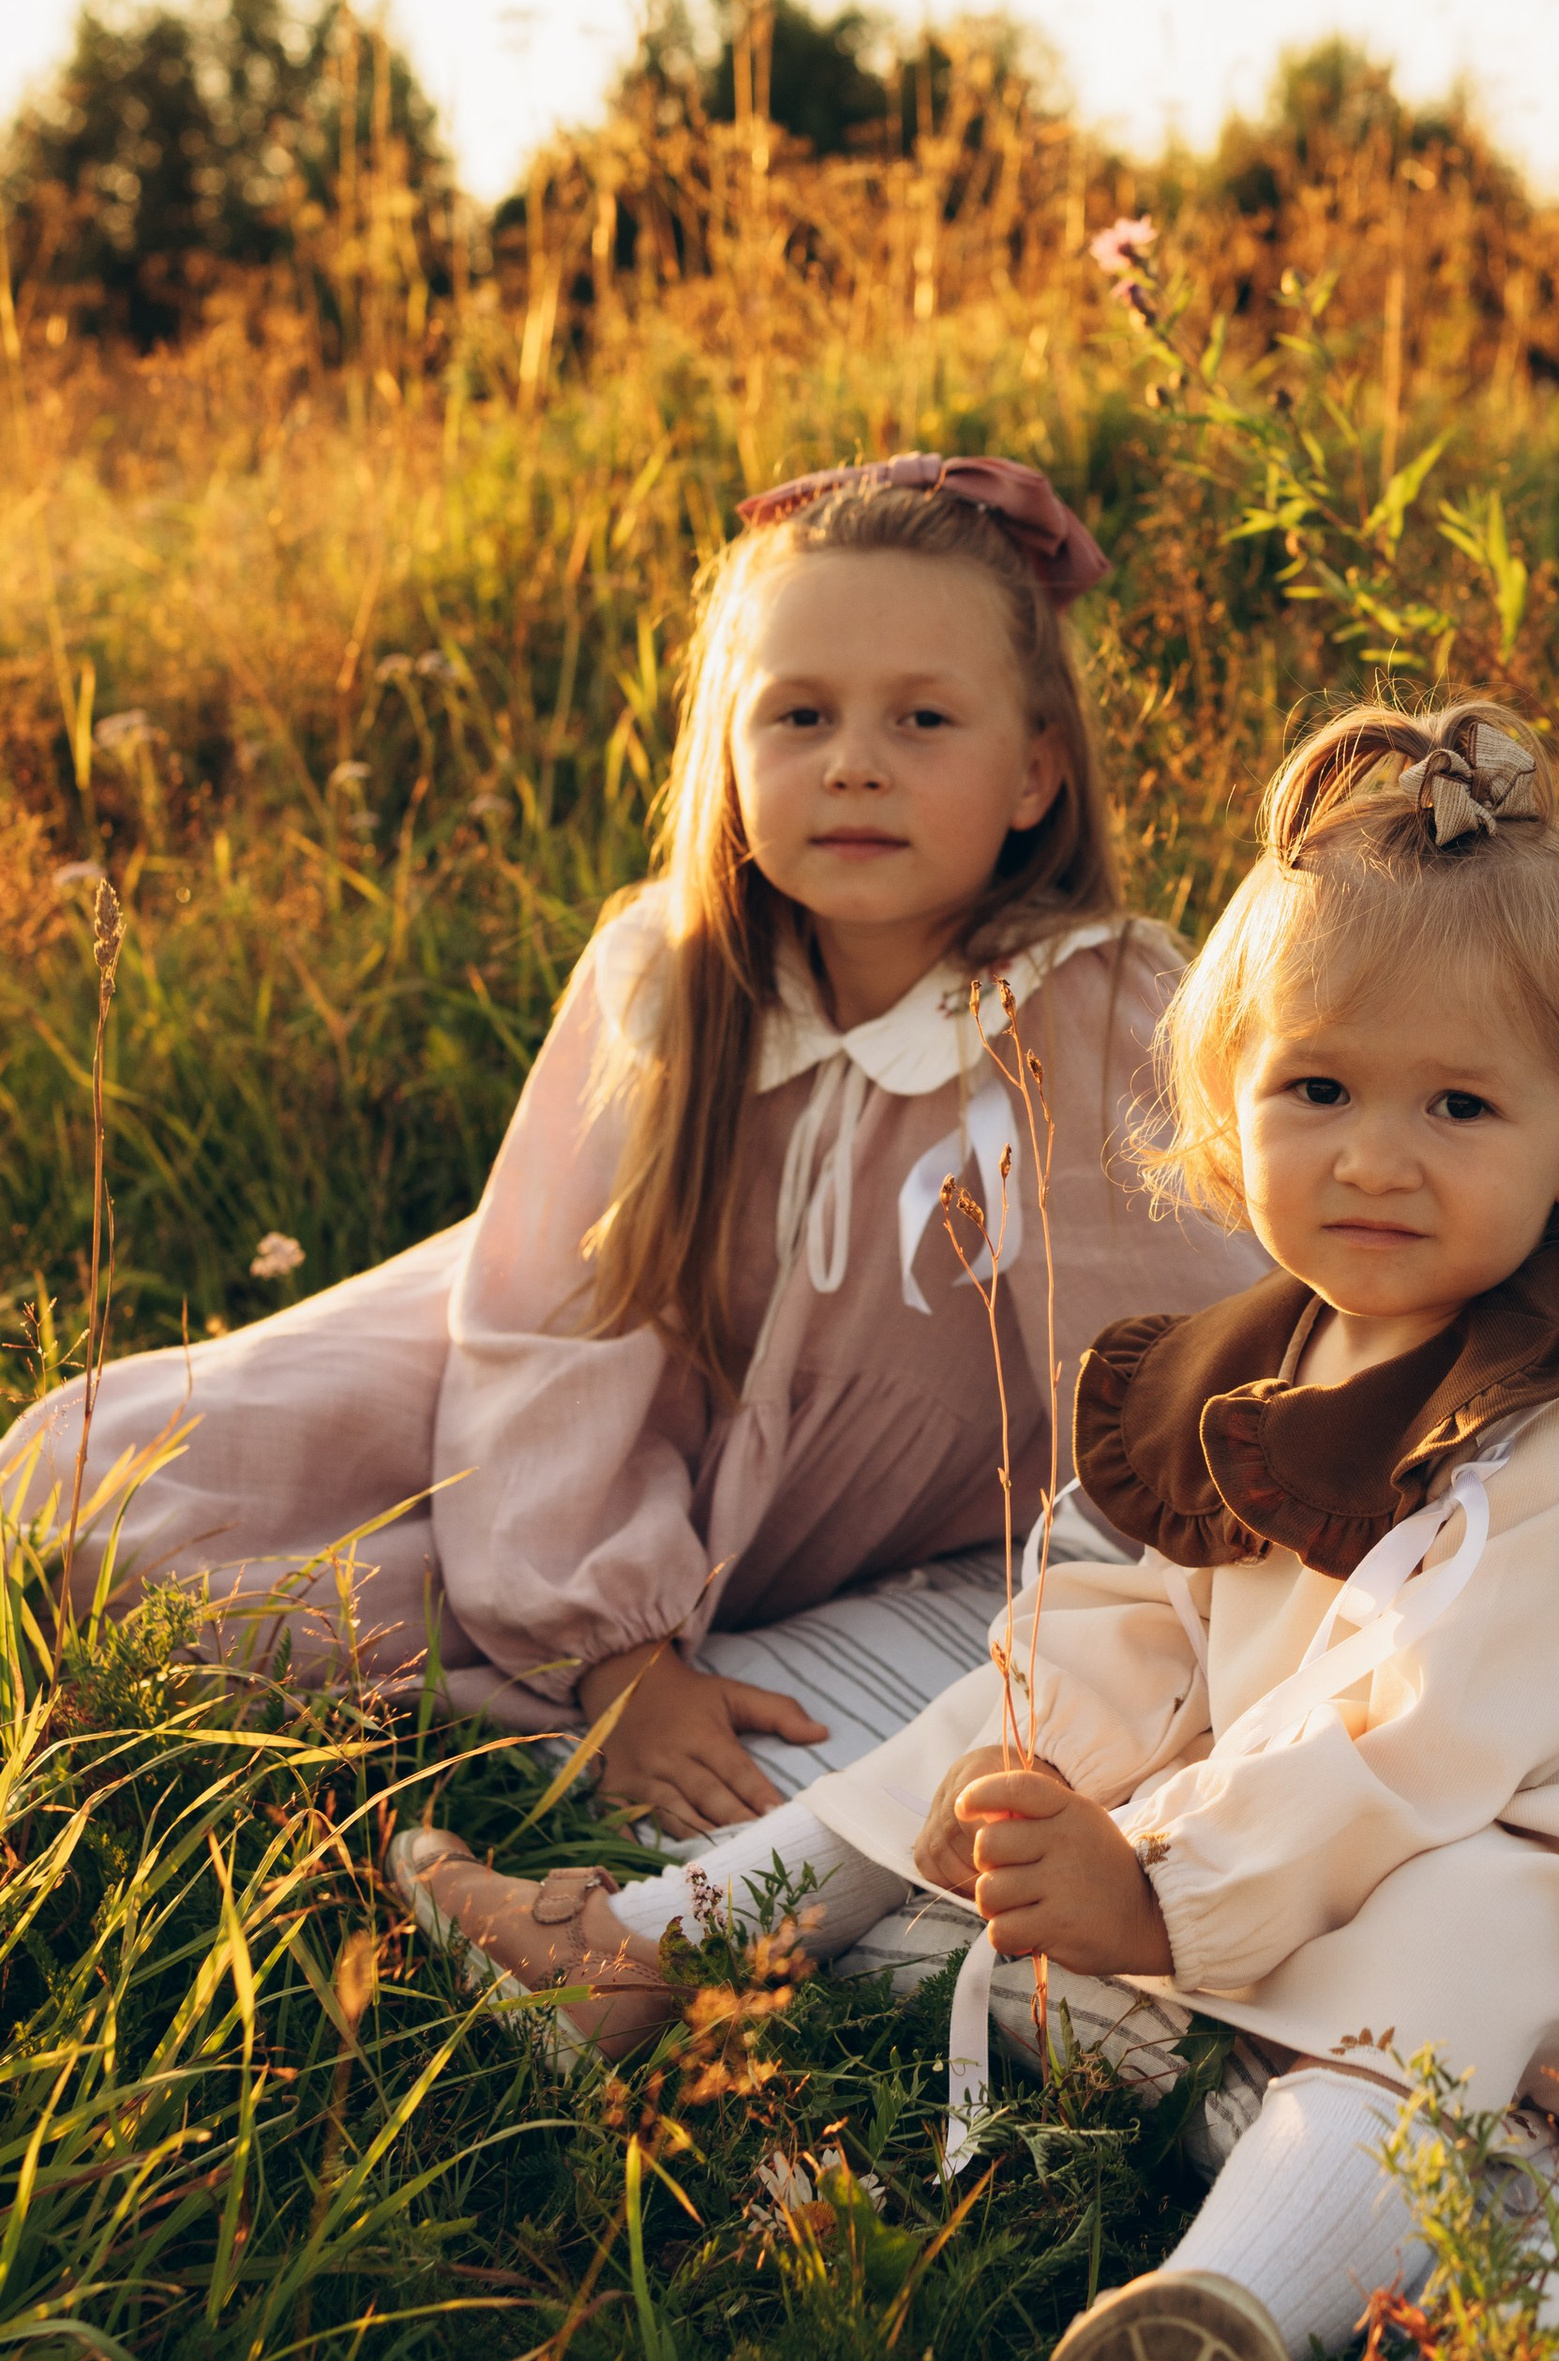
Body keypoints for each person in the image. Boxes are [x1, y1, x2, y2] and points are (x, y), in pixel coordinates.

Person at [393, 697, 1559, 2361]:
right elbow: (1158, 1620)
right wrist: (1047, 1774)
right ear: (1230, 1092)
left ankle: (1228, 2325)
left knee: (1466, 1913)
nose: (1373, 1159)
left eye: (1460, 1107)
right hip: (1305, 1821)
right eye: (1320, 1092)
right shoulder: (1276, 1355)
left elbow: (1411, 1731)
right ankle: (655, 1940)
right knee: (1012, 1704)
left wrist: (1160, 1891)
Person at [10, 453, 1259, 1829]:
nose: (852, 762)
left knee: (313, 1613)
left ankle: (540, 1629)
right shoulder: (670, 975)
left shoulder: (1084, 1008)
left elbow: (1178, 1358)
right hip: (556, 1406)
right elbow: (551, 1332)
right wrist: (618, 1655)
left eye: (920, 719)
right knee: (97, 1501)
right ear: (730, 743)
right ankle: (556, 1607)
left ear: (1035, 772)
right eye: (798, 714)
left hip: (828, 1507)